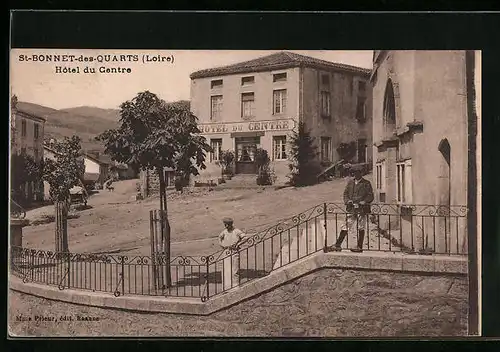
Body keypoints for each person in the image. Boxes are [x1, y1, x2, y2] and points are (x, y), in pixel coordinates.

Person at [328, 166, 374, 253]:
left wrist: (364, 201)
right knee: (346, 225)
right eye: (354, 173)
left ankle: (359, 247)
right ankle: (338, 245)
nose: (356, 175)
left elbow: (370, 195)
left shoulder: (366, 183)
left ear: (361, 173)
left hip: (362, 209)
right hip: (352, 208)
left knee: (361, 226)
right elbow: (345, 193)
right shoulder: (350, 183)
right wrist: (347, 200)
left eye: (358, 173)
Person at [218, 217, 248, 290]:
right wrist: (222, 245)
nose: (226, 226)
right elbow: (219, 238)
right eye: (225, 225)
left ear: (231, 224)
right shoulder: (224, 232)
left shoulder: (236, 231)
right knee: (226, 269)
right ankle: (226, 287)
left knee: (235, 269)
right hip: (226, 251)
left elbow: (245, 238)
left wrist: (238, 244)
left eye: (228, 225)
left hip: (234, 251)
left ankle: (235, 287)